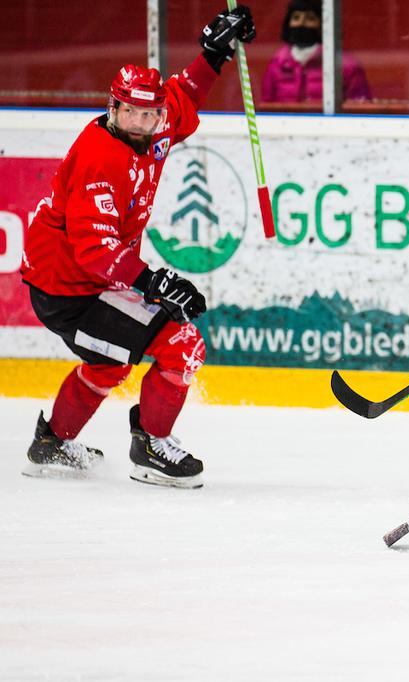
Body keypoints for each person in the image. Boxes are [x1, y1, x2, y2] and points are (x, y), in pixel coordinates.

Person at [18, 6, 257, 488]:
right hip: (68, 288)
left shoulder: (156, 124)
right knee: (183, 344)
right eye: (131, 111)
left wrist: (214, 52)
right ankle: (150, 446)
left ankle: (52, 444)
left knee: (109, 362)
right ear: (113, 108)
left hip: (85, 281)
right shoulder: (99, 158)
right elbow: (96, 251)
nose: (142, 121)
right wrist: (155, 281)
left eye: (150, 113)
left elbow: (184, 94)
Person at [260, 0, 370, 104]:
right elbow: (266, 107)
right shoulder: (277, 65)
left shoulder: (345, 65)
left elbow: (359, 108)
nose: (301, 23)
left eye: (310, 18)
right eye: (296, 17)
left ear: (322, 25)